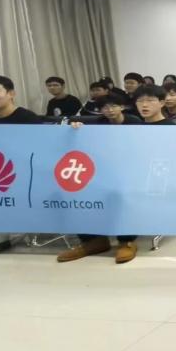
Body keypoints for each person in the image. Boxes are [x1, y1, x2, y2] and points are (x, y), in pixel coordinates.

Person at [56, 90, 142, 264]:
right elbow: (85, 142)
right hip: (102, 171)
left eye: (113, 106)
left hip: (131, 172)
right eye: (105, 107)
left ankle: (126, 241)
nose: (109, 110)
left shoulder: (135, 123)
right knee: (78, 194)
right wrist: (77, 129)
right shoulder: (97, 124)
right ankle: (93, 240)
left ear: (122, 107)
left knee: (121, 195)